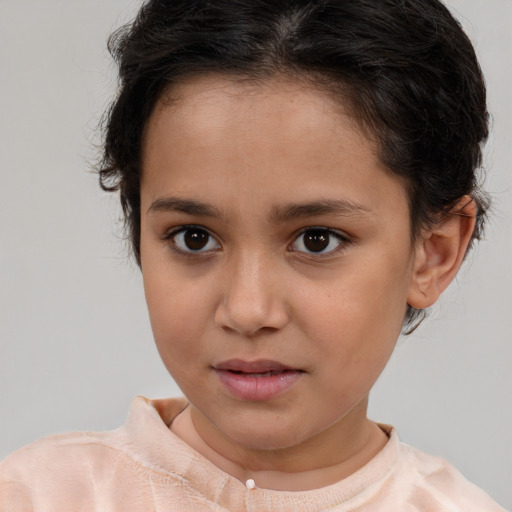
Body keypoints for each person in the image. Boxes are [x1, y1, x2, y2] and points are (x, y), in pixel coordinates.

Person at [0, 0, 507, 510]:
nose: (247, 310)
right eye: (194, 238)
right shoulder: (36, 496)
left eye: (317, 239)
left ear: (432, 254)